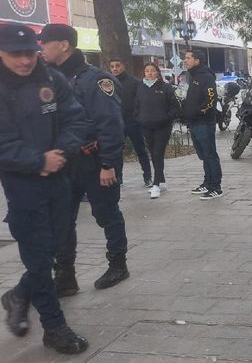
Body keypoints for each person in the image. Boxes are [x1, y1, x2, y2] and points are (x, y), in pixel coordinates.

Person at [0, 23, 89, 354]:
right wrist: (38, 161)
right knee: (39, 259)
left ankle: (19, 295)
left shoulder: (52, 78)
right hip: (23, 187)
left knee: (55, 249)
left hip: (59, 179)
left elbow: (75, 119)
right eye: (15, 55)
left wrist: (60, 154)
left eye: (30, 53)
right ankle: (54, 327)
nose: (24, 61)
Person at [37, 24, 129, 296]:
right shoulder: (49, 79)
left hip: (95, 160)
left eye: (46, 43)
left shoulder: (97, 80)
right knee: (62, 220)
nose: (41, 48)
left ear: (64, 44)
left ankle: (118, 264)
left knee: (106, 213)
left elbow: (111, 124)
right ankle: (65, 276)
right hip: (65, 164)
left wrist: (108, 163)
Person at [134, 63, 181, 200]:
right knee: (153, 153)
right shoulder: (140, 87)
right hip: (146, 125)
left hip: (162, 126)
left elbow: (175, 107)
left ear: (157, 73)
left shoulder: (165, 87)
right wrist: (138, 118)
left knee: (158, 153)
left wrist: (166, 118)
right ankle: (162, 181)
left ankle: (155, 184)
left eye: (152, 71)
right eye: (147, 71)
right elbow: (136, 105)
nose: (149, 73)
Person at [182, 49, 223, 200]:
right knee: (204, 155)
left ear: (197, 61)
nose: (185, 60)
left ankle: (216, 187)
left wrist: (198, 112)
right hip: (194, 123)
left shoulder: (206, 77)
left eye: (188, 58)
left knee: (210, 154)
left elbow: (211, 100)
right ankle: (207, 182)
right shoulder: (193, 76)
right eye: (185, 58)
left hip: (204, 123)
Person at [109, 58, 152, 187]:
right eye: (112, 66)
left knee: (141, 150)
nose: (115, 69)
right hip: (116, 123)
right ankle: (118, 177)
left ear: (124, 66)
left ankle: (147, 177)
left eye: (118, 65)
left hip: (133, 122)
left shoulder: (134, 82)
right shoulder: (108, 82)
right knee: (117, 151)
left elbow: (141, 102)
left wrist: (138, 117)